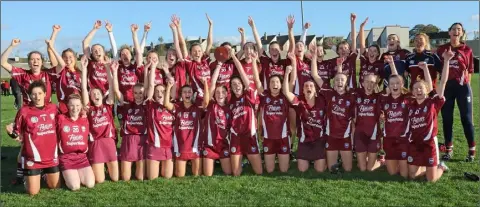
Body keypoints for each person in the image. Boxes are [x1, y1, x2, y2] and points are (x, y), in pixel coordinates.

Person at [407, 48, 452, 182]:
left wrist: (447, 61)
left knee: (431, 179)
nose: (418, 90)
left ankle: (441, 167)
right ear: (413, 92)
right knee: (412, 176)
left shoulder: (433, 102)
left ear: (427, 90)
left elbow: (443, 82)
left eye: (421, 88)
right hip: (414, 143)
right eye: (415, 89)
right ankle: (426, 166)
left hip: (429, 144)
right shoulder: (410, 104)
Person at [8, 81, 60, 195]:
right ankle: (26, 176)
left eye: (40, 93)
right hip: (32, 159)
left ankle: (43, 174)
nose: (37, 97)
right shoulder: (24, 111)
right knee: (32, 192)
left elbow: (62, 125)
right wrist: (11, 133)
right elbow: (16, 133)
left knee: (54, 186)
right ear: (30, 95)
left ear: (45, 94)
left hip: (51, 157)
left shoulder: (53, 109)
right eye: (34, 94)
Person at [311, 47, 355, 172]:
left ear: (346, 83)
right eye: (337, 80)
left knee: (348, 169)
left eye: (342, 80)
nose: (339, 82)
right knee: (332, 169)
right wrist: (314, 57)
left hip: (345, 137)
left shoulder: (351, 96)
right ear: (333, 82)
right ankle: (325, 160)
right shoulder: (328, 92)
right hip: (331, 136)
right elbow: (315, 75)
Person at [436, 23, 476, 162]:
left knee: (466, 119)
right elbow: (436, 69)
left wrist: (466, 87)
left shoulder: (467, 50)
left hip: (462, 87)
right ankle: (448, 150)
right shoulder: (441, 49)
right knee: (447, 119)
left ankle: (471, 151)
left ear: (462, 33)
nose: (456, 31)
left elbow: (469, 71)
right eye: (454, 29)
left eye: (459, 29)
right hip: (447, 88)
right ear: (449, 32)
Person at [284, 51, 329, 173]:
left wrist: (314, 58)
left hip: (319, 141)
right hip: (304, 141)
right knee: (302, 170)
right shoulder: (300, 103)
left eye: (311, 86)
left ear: (315, 91)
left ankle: (325, 158)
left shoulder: (323, 100)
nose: (308, 88)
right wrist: (287, 73)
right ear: (302, 91)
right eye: (306, 86)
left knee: (320, 170)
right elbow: (287, 93)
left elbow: (315, 75)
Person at [202, 49, 244, 176]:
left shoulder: (230, 107)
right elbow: (213, 83)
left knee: (229, 172)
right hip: (209, 145)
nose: (220, 94)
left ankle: (237, 160)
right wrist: (219, 65)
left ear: (227, 94)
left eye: (223, 92)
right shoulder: (211, 104)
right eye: (218, 92)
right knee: (208, 175)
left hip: (223, 145)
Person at [252, 51, 296, 173]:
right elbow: (256, 79)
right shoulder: (264, 95)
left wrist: (291, 66)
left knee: (283, 170)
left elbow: (292, 81)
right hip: (268, 138)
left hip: (283, 137)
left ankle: (287, 154)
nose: (274, 84)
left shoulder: (285, 96)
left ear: (281, 84)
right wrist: (254, 62)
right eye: (272, 82)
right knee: (270, 170)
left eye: (277, 82)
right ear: (269, 85)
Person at [80, 55, 119, 183]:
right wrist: (84, 69)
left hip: (108, 141)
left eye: (98, 94)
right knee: (100, 180)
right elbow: (84, 89)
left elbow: (112, 87)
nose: (96, 95)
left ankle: (107, 166)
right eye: (93, 94)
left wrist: (108, 68)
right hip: (95, 143)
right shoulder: (89, 108)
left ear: (102, 95)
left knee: (115, 178)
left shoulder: (108, 105)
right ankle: (97, 166)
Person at [164, 75, 208, 177]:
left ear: (192, 94)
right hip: (181, 146)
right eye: (184, 92)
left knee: (197, 174)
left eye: (189, 92)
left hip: (195, 146)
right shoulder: (177, 106)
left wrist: (205, 83)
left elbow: (206, 102)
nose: (187, 94)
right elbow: (166, 104)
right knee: (180, 175)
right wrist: (169, 87)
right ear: (181, 95)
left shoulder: (196, 107)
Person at [112, 60, 149, 181]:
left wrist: (148, 70)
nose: (138, 95)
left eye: (140, 93)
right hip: (128, 139)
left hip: (141, 139)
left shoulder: (146, 105)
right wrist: (114, 71)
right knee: (125, 177)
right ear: (132, 94)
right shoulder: (128, 105)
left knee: (140, 177)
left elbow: (149, 87)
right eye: (136, 93)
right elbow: (117, 91)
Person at [228, 52, 263, 176]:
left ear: (243, 85)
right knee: (236, 173)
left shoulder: (249, 96)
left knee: (259, 171)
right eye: (233, 85)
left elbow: (244, 75)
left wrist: (233, 57)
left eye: (238, 84)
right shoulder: (230, 100)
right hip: (236, 137)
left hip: (250, 136)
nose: (236, 86)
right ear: (230, 88)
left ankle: (247, 157)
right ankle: (240, 160)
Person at [381, 55, 413, 178]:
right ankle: (385, 161)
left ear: (402, 84)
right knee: (392, 173)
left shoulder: (408, 98)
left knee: (404, 175)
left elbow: (396, 79)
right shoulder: (384, 99)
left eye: (398, 84)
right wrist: (381, 115)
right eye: (392, 84)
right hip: (388, 139)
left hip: (403, 139)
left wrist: (392, 64)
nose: (395, 86)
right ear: (388, 86)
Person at [144, 60, 175, 180]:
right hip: (155, 146)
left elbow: (172, 84)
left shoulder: (172, 106)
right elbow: (150, 85)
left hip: (168, 146)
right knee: (152, 177)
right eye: (157, 92)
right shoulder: (151, 105)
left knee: (167, 176)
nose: (159, 93)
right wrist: (152, 67)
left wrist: (167, 75)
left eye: (162, 91)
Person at [172, 14, 213, 106]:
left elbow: (209, 43)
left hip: (211, 95)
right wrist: (179, 28)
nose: (197, 53)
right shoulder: (190, 65)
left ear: (202, 52)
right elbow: (182, 44)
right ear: (190, 54)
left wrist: (211, 26)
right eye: (194, 51)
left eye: (199, 51)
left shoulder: (205, 61)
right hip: (199, 98)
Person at [57, 94, 95, 190]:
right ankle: (63, 173)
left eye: (78, 105)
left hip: (82, 158)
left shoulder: (85, 119)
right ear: (67, 106)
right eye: (72, 105)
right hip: (66, 158)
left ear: (81, 106)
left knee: (90, 184)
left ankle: (74, 174)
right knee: (75, 187)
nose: (75, 108)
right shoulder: (60, 118)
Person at [1, 39, 56, 106]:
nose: (35, 61)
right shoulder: (22, 74)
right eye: (32, 59)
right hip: (29, 112)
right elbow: (2, 63)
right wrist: (11, 46)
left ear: (42, 62)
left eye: (38, 59)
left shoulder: (48, 74)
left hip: (47, 111)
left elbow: (58, 65)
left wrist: (51, 46)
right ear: (29, 63)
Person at [107, 21, 149, 103]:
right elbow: (114, 49)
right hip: (124, 102)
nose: (125, 55)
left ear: (131, 56)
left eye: (127, 53)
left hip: (137, 101)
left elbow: (139, 52)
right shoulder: (118, 67)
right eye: (122, 54)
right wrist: (110, 32)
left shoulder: (136, 67)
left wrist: (134, 34)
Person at [46, 25, 82, 114]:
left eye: (70, 56)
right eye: (65, 57)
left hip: (79, 109)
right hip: (64, 109)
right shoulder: (61, 70)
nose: (68, 59)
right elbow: (50, 50)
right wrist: (55, 32)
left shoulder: (80, 73)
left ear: (75, 58)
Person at [82, 20, 110, 96]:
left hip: (106, 96)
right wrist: (95, 29)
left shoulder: (109, 64)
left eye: (99, 49)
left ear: (104, 52)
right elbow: (85, 42)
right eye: (95, 51)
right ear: (92, 54)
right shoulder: (91, 63)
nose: (97, 52)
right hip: (93, 95)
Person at [333, 13, 358, 90]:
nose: (343, 50)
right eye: (341, 48)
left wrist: (353, 23)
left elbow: (353, 39)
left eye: (346, 48)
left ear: (349, 50)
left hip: (352, 90)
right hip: (339, 91)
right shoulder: (334, 61)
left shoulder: (351, 58)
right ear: (337, 51)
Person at [358, 17, 384, 89]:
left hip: (373, 93)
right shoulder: (364, 60)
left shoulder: (380, 64)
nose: (372, 52)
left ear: (378, 54)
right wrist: (362, 27)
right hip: (361, 92)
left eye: (374, 51)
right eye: (370, 50)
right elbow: (362, 45)